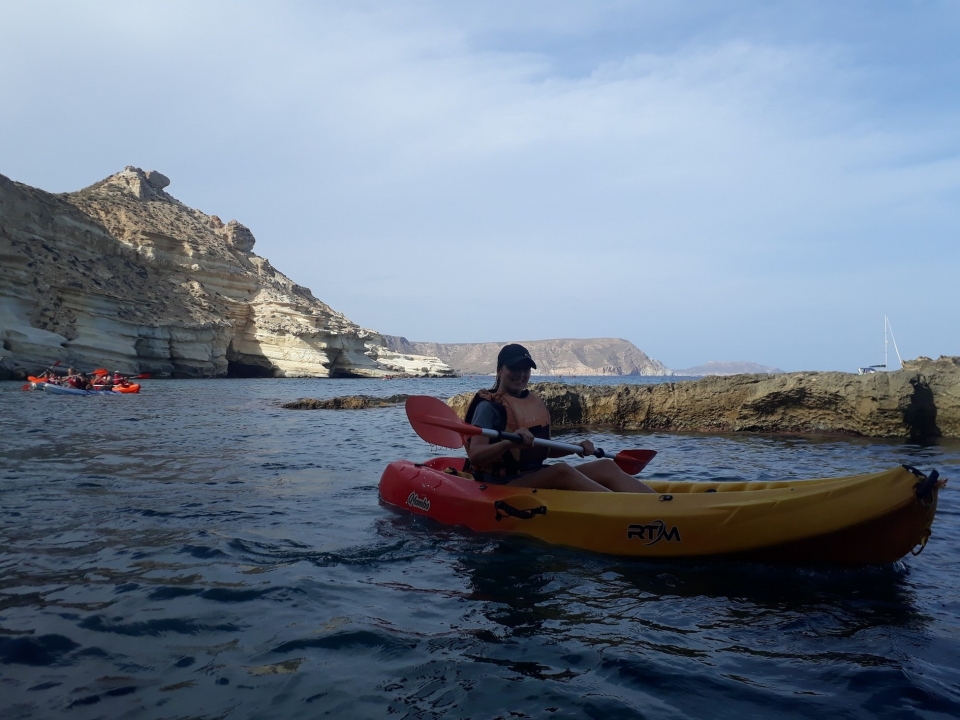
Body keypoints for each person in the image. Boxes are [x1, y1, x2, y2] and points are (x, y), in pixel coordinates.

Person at [464, 344, 655, 493]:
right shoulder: (488, 407)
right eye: (514, 368)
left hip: (532, 475)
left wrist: (576, 447)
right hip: (502, 483)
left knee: (605, 466)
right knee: (560, 471)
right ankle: (627, 511)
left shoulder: (529, 402)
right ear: (499, 370)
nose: (521, 374)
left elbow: (542, 451)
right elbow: (476, 456)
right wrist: (508, 444)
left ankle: (659, 504)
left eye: (525, 369)